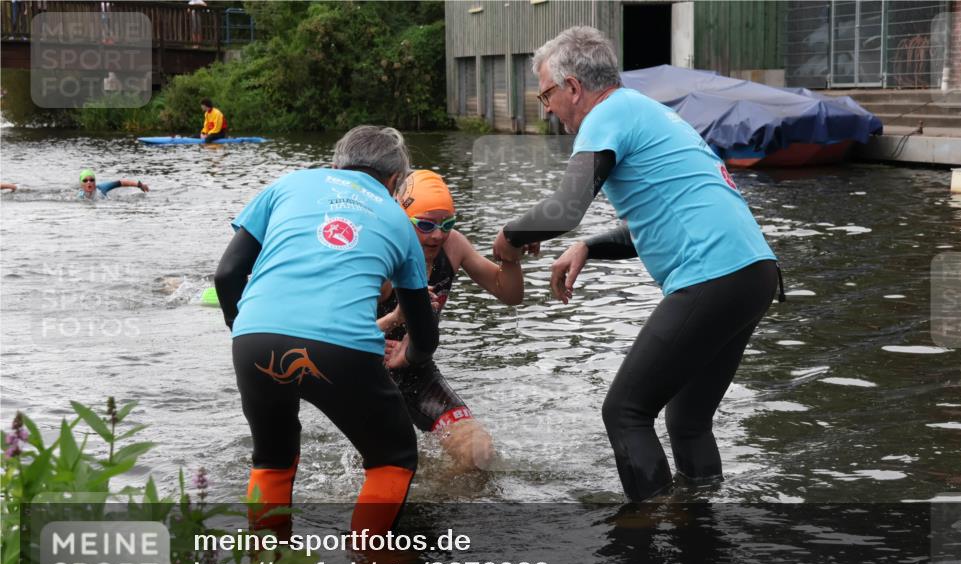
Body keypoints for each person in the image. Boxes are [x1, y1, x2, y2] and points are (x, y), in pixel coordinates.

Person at [492, 26, 783, 502]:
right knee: (687, 421)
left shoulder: (606, 115)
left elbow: (564, 209)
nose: (545, 106)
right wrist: (589, 246)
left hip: (713, 275)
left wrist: (508, 239)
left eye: (545, 93)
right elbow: (659, 219)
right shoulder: (648, 113)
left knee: (625, 412)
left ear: (572, 87)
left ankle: (650, 533)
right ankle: (700, 524)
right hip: (753, 274)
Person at [214, 125, 438, 535]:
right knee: (394, 457)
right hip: (342, 349)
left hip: (254, 338)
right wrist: (411, 356)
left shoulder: (290, 183)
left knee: (272, 458)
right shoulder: (397, 218)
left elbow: (228, 274)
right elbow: (424, 333)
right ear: (394, 181)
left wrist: (241, 328)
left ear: (336, 163)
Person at [379, 169, 524, 471]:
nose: (437, 235)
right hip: (369, 377)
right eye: (426, 224)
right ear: (403, 220)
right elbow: (335, 333)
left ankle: (444, 507)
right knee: (388, 463)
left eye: (446, 223)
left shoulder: (453, 245)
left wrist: (511, 255)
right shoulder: (383, 255)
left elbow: (509, 294)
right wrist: (395, 318)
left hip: (418, 372)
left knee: (478, 454)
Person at [77, 169, 149, 200]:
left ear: (95, 182)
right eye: (85, 180)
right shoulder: (80, 196)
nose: (89, 182)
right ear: (81, 184)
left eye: (91, 180)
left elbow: (120, 183)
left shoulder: (102, 188)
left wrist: (139, 185)